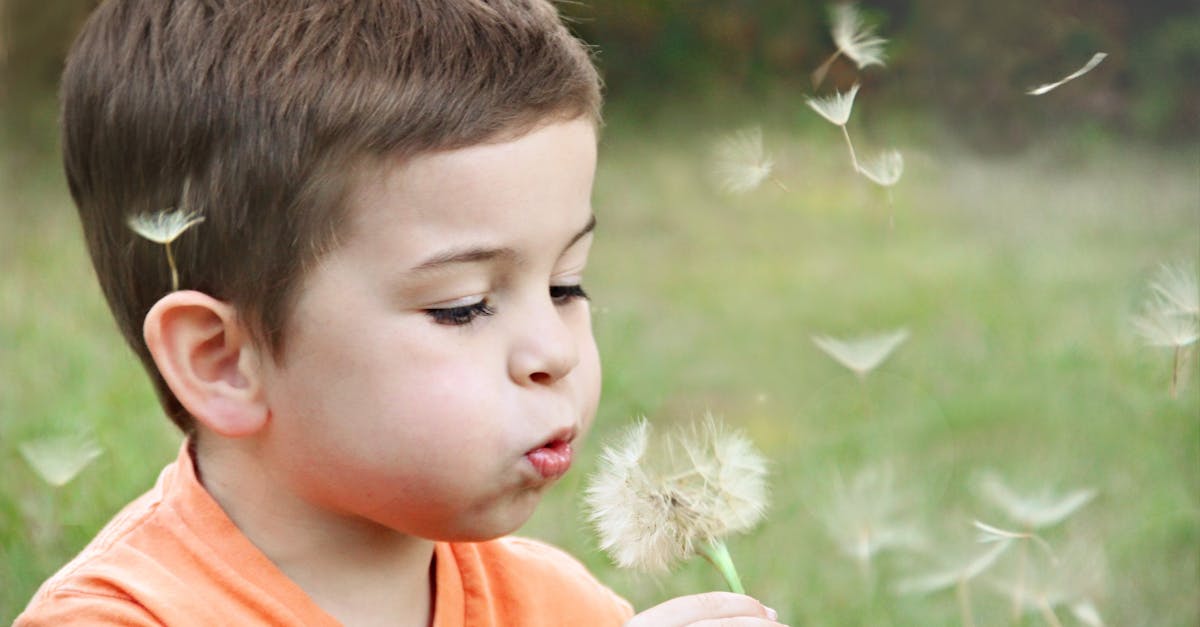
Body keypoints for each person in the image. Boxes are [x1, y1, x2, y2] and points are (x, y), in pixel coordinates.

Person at [16, 1, 784, 626]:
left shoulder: (562, 607)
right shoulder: (123, 617)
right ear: (224, 359)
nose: (555, 349)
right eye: (464, 307)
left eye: (565, 285)